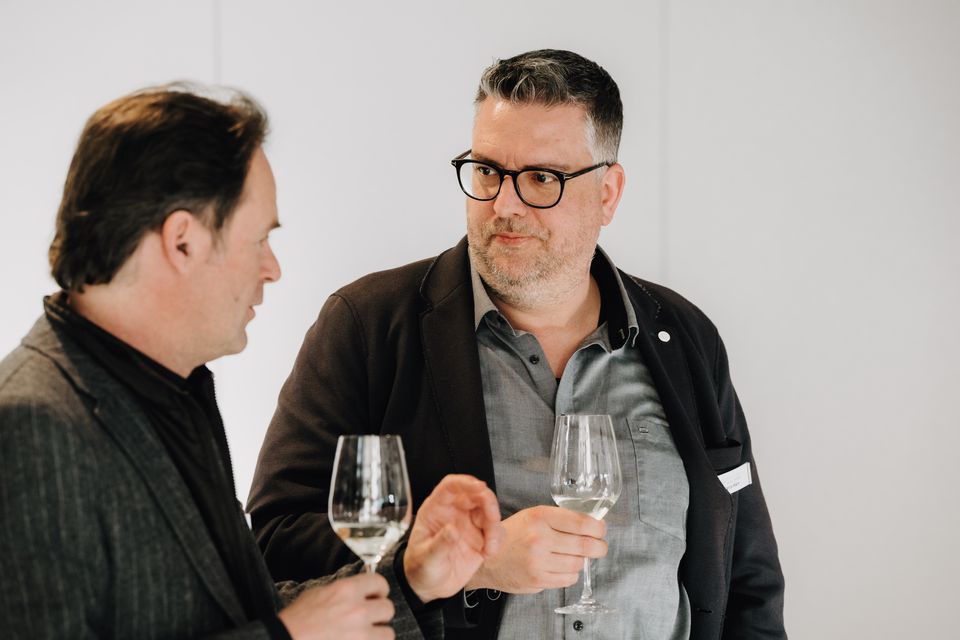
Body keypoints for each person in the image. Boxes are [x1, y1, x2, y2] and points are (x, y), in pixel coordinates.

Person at [247, 49, 786, 640]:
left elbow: (748, 580)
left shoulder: (685, 337)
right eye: (486, 171)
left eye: (541, 178)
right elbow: (273, 546)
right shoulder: (369, 326)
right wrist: (468, 563)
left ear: (608, 193)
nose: (504, 205)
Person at [0, 85, 504, 640]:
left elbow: (240, 612)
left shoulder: (173, 395)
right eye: (259, 238)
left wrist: (411, 580)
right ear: (183, 242)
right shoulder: (29, 426)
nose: (273, 268)